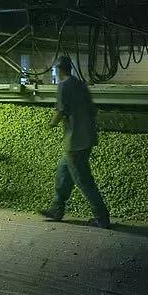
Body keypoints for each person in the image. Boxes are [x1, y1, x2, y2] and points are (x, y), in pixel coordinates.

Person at [42, 56, 111, 229]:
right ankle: (57, 209)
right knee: (63, 173)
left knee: (83, 180)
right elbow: (92, 110)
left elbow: (60, 111)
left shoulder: (63, 86)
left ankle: (102, 218)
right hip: (86, 139)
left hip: (75, 141)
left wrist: (50, 125)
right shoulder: (81, 84)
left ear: (59, 70)